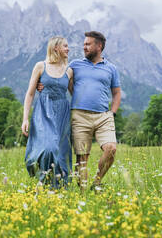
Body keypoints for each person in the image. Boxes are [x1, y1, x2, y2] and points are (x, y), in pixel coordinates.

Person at [38, 31, 121, 191]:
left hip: (104, 116)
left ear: (99, 46)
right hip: (79, 116)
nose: (84, 47)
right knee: (82, 157)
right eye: (84, 44)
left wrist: (113, 112)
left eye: (88, 44)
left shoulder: (111, 68)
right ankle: (83, 194)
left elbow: (116, 93)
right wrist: (40, 84)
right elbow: (57, 76)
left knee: (111, 149)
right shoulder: (75, 64)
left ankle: (97, 182)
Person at [21, 36, 73, 188]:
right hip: (43, 111)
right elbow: (30, 93)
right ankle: (44, 180)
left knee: (61, 153)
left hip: (62, 114)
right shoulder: (40, 66)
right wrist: (25, 118)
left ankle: (59, 188)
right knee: (48, 148)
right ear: (55, 47)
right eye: (65, 46)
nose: (68, 49)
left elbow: (74, 94)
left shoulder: (69, 71)